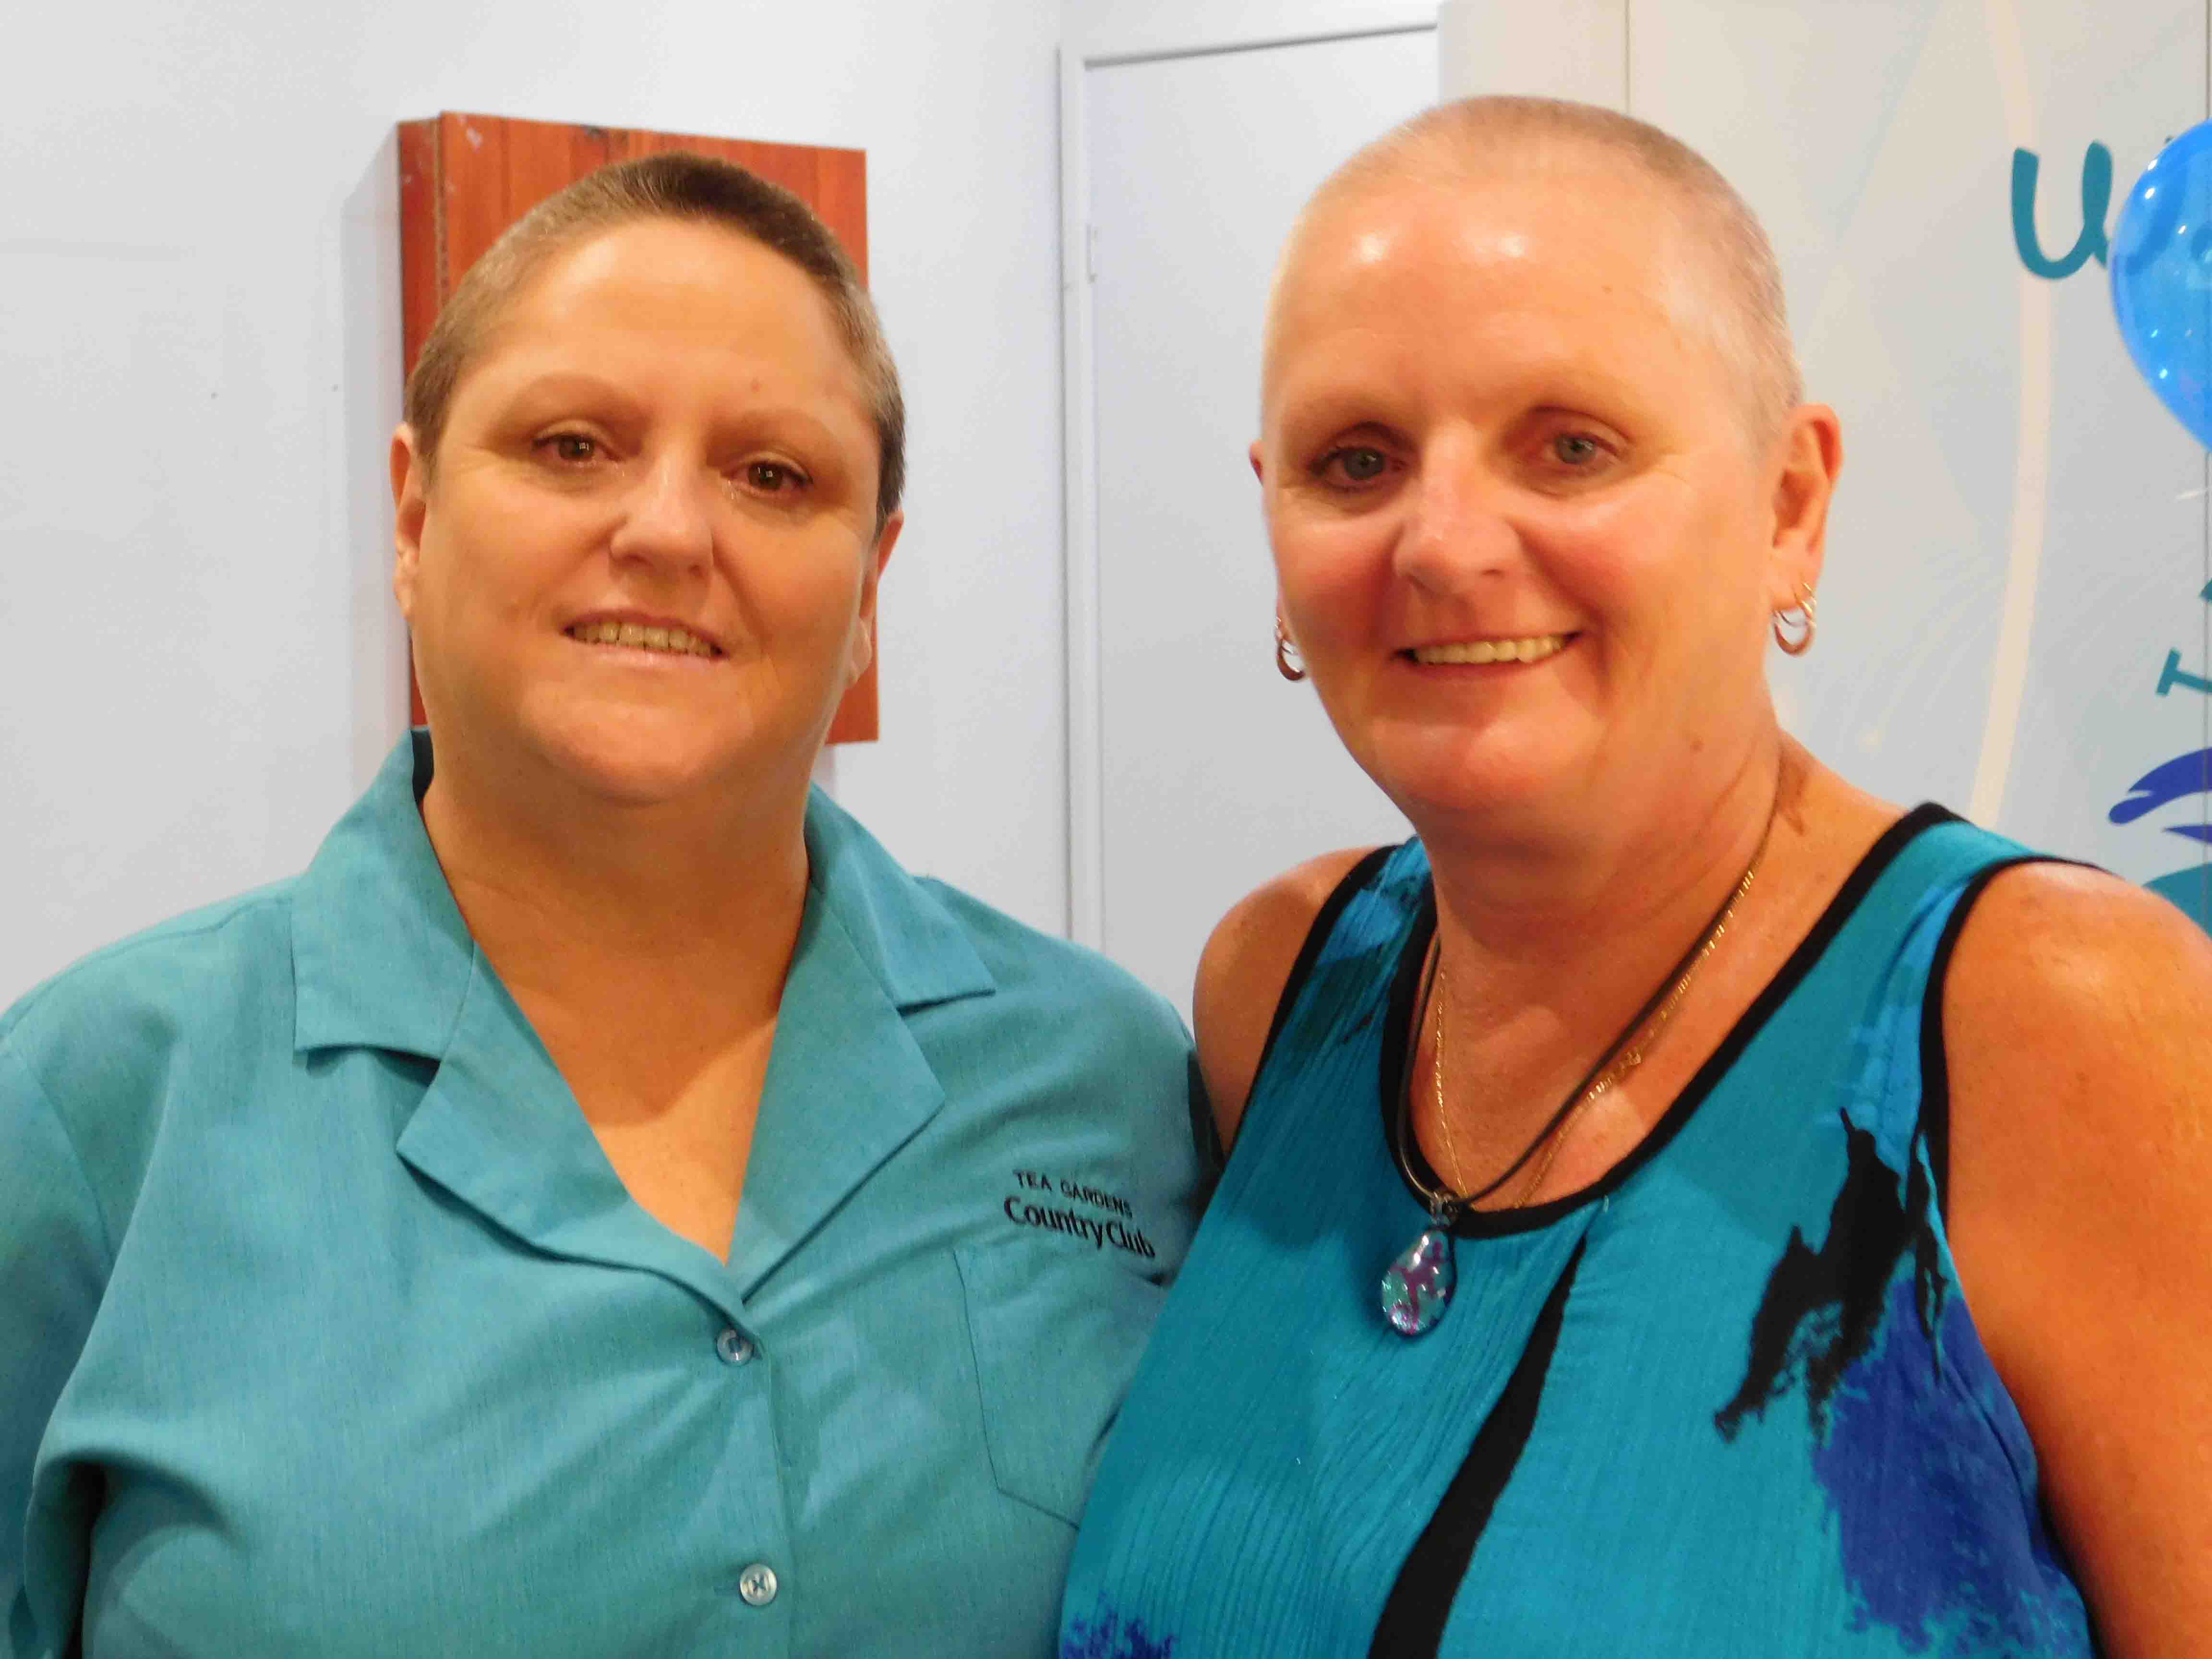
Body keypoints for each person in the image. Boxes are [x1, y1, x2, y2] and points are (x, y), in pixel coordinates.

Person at [0, 154, 1204, 1659]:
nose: (669, 531)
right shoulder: (89, 1109)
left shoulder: (1102, 1080)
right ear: (412, 515)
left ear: (870, 584)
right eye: (572, 446)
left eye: (774, 476)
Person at [1060, 98, 2212, 1659]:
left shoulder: (2058, 1024)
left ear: (1791, 505)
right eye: (1357, 461)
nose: (1443, 544)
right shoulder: (1280, 985)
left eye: (1571, 448)